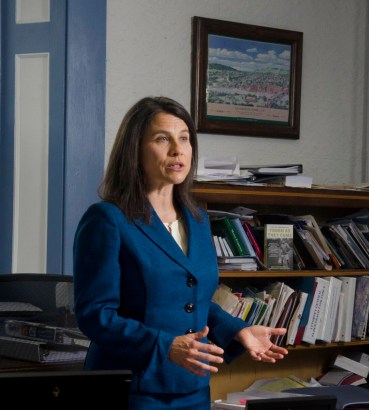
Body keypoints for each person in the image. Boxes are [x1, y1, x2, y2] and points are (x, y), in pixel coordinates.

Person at [73, 96, 288, 409]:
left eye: (184, 139)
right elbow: (95, 315)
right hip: (133, 388)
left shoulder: (198, 220)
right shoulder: (107, 219)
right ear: (135, 150)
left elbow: (193, 301)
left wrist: (238, 331)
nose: (178, 150)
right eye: (163, 139)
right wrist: (164, 346)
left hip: (193, 386)